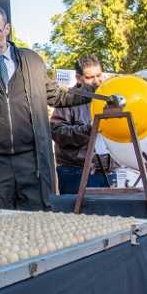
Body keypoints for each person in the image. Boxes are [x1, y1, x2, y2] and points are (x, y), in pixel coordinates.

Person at [0, 6, 91, 210]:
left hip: (32, 163)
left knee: (37, 223)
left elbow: (57, 96)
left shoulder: (32, 60)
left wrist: (92, 93)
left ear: (7, 29)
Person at [50, 55, 116, 194]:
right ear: (78, 78)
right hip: (76, 172)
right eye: (90, 77)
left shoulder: (110, 98)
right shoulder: (67, 100)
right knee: (79, 216)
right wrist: (89, 129)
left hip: (108, 171)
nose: (97, 81)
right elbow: (57, 132)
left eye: (99, 75)